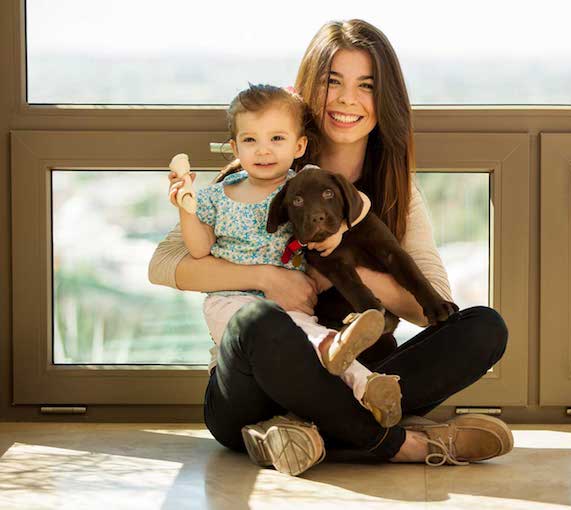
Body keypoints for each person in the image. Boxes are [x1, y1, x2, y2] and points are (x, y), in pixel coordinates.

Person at [149, 19, 512, 476]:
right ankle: (398, 443)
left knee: (483, 328)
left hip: (356, 372)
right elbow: (164, 264)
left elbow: (430, 307)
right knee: (258, 320)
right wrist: (266, 277)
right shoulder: (266, 164)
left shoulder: (396, 192)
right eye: (332, 82)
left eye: (366, 85)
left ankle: (304, 435)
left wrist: (340, 259)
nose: (346, 99)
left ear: (386, 101)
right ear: (308, 90)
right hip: (255, 389)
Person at [173, 83, 402, 428]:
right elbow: (199, 249)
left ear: (299, 146)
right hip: (232, 307)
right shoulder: (218, 195)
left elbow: (358, 201)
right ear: (235, 147)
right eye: (251, 141)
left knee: (313, 340)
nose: (263, 151)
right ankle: (340, 368)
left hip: (290, 311)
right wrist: (186, 210)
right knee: (294, 332)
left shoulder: (302, 186)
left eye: (276, 139)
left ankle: (368, 386)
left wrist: (338, 229)